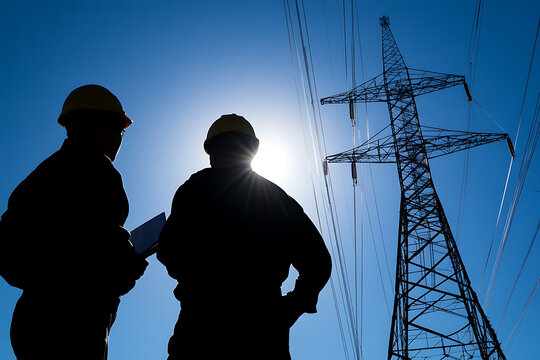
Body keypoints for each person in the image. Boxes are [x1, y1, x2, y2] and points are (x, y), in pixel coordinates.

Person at [157, 114, 332, 360]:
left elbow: (168, 250)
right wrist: (288, 309)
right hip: (263, 336)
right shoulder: (277, 198)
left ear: (211, 152)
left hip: (199, 330)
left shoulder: (193, 190)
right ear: (253, 150)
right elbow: (319, 262)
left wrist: (199, 281)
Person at [0, 84, 148, 360]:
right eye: (120, 130)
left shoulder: (39, 177)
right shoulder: (98, 171)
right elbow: (105, 249)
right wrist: (131, 261)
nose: (120, 139)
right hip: (75, 321)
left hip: (31, 319)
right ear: (102, 127)